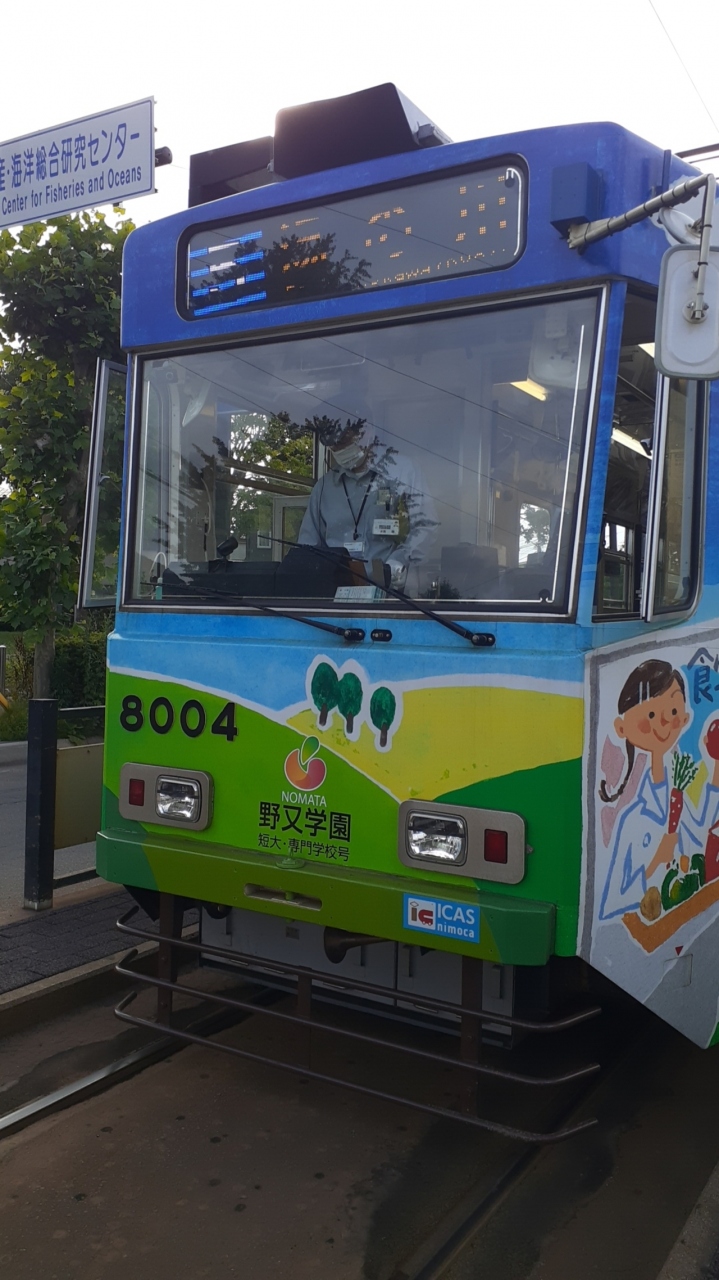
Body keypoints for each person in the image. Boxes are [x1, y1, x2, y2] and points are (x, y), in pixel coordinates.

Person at [598, 659, 719, 921]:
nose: (664, 721)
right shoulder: (631, 819)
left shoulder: (676, 798)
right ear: (622, 728)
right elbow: (611, 904)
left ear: (684, 718)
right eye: (651, 715)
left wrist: (717, 767)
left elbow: (702, 830)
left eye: (673, 711)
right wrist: (656, 861)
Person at [296, 414, 438, 589]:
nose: (338, 449)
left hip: (391, 592)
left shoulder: (403, 472)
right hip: (337, 594)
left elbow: (425, 526)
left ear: (366, 432)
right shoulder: (324, 488)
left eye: (343, 441)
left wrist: (399, 562)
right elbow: (307, 547)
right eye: (332, 445)